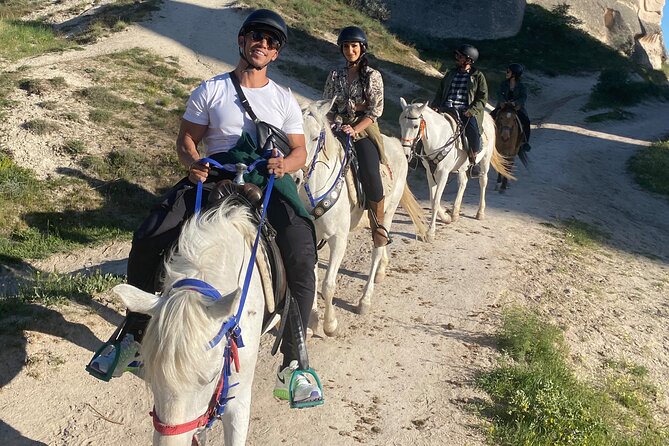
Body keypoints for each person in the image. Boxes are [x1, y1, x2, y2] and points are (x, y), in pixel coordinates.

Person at [88, 9, 322, 405]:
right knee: (150, 235)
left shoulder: (283, 98)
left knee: (300, 252)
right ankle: (134, 333)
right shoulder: (211, 90)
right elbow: (186, 141)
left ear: (276, 53)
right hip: (213, 176)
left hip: (266, 179)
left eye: (272, 41)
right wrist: (191, 162)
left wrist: (287, 164)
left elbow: (299, 150)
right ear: (242, 40)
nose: (263, 45)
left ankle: (295, 361)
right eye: (257, 37)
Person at [322, 26, 390, 247]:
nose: (350, 50)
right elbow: (327, 105)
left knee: (370, 171)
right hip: (338, 127)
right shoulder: (335, 75)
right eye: (346, 46)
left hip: (363, 129)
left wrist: (356, 129)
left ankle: (378, 226)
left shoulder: (373, 76)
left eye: (354, 46)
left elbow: (374, 111)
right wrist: (332, 121)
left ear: (362, 48)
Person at [431, 44, 488, 178]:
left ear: (469, 60)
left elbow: (482, 98)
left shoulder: (478, 76)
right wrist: (435, 105)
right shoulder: (450, 74)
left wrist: (472, 110)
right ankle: (420, 156)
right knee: (424, 124)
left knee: (473, 130)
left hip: (464, 111)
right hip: (446, 107)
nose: (457, 58)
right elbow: (440, 93)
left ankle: (473, 160)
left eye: (460, 56)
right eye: (457, 56)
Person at [491, 63, 531, 151]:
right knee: (490, 117)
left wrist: (515, 103)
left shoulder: (521, 86)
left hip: (516, 108)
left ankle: (525, 142)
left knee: (526, 121)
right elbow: (498, 93)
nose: (506, 73)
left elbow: (523, 97)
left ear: (514, 75)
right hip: (503, 106)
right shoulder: (503, 84)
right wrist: (502, 101)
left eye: (508, 72)